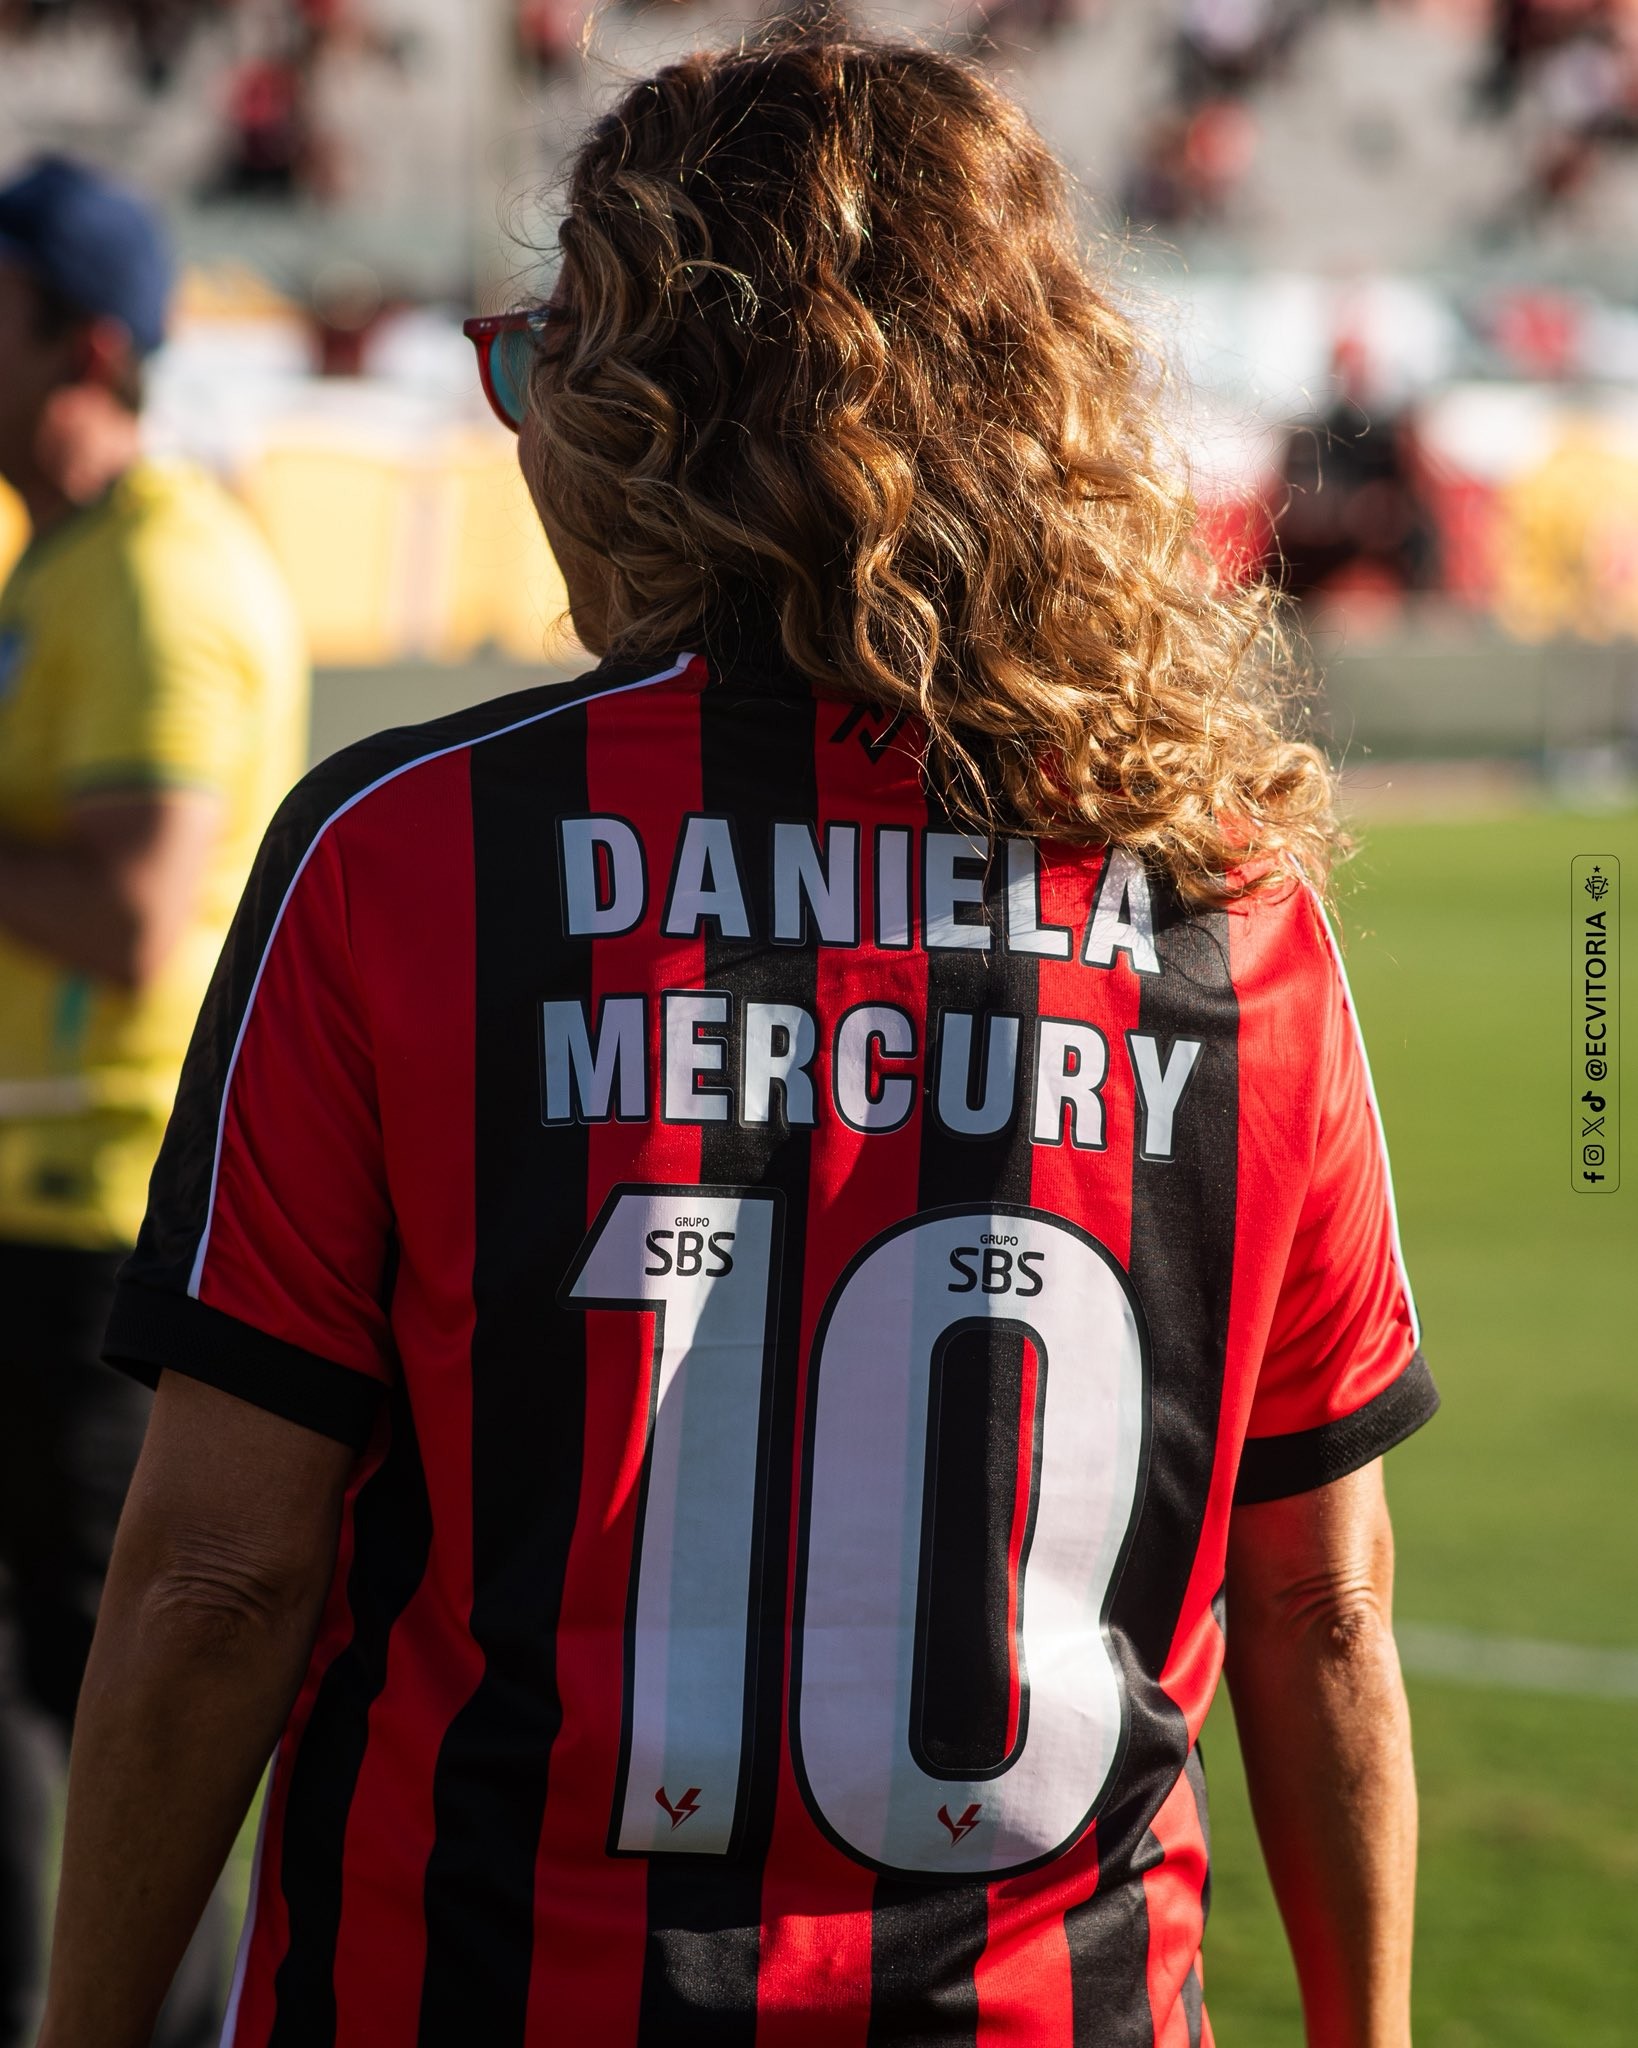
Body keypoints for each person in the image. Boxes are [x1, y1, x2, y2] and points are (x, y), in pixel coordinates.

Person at [41, 37, 1435, 2048]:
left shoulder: (410, 857)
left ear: (644, 408)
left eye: (546, 366)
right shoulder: (1235, 913)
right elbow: (1326, 1610)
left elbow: (217, 1584)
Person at [0, 155, 308, 2047]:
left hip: (99, 1221)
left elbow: (128, 911)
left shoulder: (166, 572)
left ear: (81, 343)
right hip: (32, 1201)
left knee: (116, 1692)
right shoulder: (65, 557)